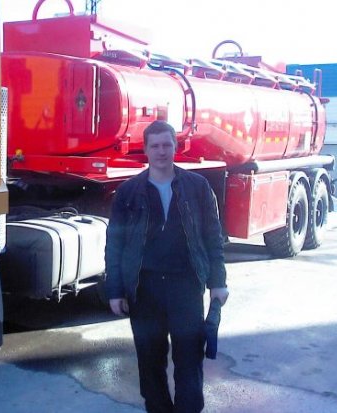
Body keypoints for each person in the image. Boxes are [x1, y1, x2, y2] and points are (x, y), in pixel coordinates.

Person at [105, 120, 229, 413]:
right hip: (144, 289)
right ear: (146, 150)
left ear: (176, 147)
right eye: (155, 146)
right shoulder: (128, 192)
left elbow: (213, 237)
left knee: (189, 359)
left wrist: (218, 282)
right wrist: (115, 290)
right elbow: (115, 244)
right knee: (150, 360)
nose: (161, 151)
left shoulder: (197, 187)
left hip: (186, 286)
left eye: (167, 145)